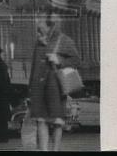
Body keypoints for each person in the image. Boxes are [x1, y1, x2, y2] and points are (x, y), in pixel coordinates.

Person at [27, 10, 80, 152]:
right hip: (39, 87)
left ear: (49, 25)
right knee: (41, 120)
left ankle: (55, 150)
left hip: (55, 87)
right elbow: (34, 66)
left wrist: (59, 60)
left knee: (57, 122)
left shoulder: (64, 40)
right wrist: (30, 88)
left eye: (40, 21)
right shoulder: (38, 42)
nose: (37, 23)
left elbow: (76, 60)